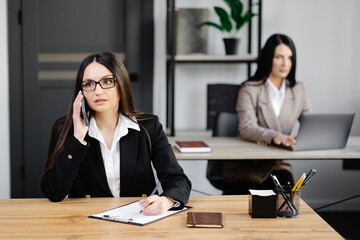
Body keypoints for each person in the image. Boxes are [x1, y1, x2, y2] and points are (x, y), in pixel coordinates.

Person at [40, 52, 191, 215]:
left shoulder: (148, 127)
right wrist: (77, 139)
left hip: (138, 221)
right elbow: (54, 192)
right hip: (87, 223)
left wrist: (166, 200)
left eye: (107, 81)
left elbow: (178, 179)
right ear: (81, 92)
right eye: (89, 84)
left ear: (122, 85)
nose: (98, 91)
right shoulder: (65, 129)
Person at [222, 34, 312, 194]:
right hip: (248, 163)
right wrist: (275, 137)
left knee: (287, 198)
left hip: (277, 162)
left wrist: (308, 137)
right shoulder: (249, 89)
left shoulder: (298, 89)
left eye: (289, 58)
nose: (285, 63)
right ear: (269, 58)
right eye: (279, 57)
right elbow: (247, 127)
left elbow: (311, 123)